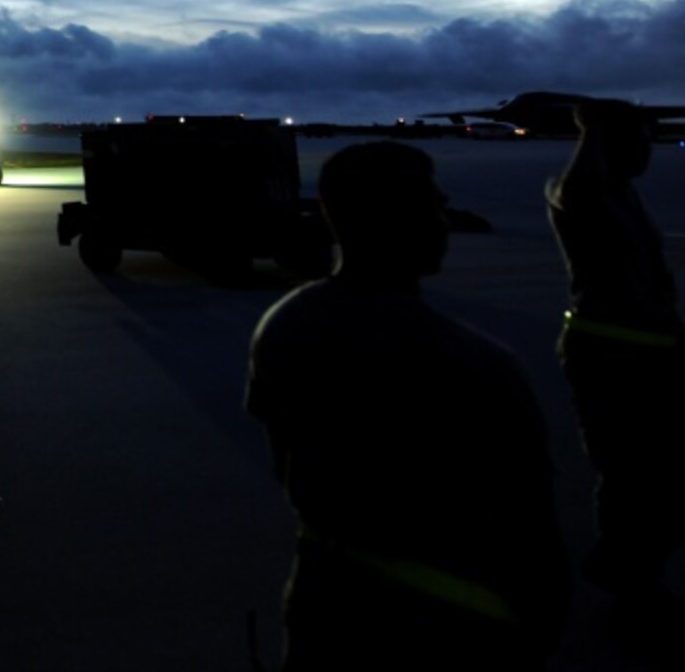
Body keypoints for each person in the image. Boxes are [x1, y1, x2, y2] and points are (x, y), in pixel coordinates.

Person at [246, 142, 569, 670]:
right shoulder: (479, 365)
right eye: (431, 208)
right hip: (449, 629)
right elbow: (530, 528)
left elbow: (287, 455)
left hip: (326, 603)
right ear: (399, 221)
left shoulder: (283, 327)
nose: (443, 223)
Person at [545, 99, 682, 601]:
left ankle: (626, 565)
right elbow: (579, 187)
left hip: (651, 350)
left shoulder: (624, 195)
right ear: (611, 147)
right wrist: (592, 130)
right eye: (640, 143)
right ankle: (627, 579)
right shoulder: (581, 195)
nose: (649, 152)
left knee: (656, 471)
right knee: (630, 471)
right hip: (609, 355)